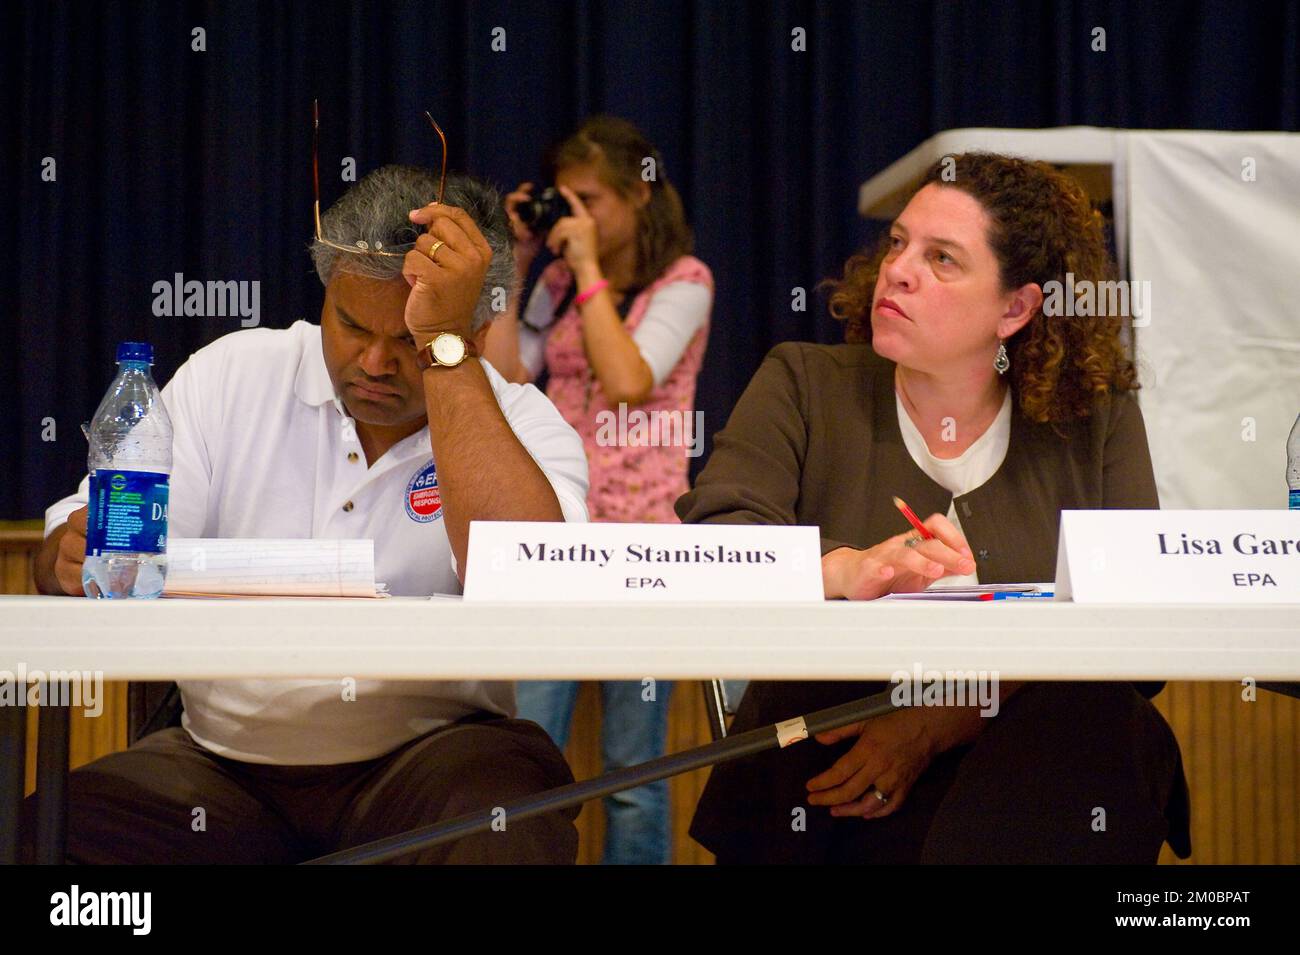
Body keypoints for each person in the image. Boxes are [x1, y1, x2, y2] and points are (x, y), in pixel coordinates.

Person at [28, 166, 591, 864]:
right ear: (325, 293)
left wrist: (445, 354)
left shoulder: (519, 422)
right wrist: (65, 553)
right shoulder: (233, 374)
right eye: (352, 325)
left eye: (409, 339)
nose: (377, 361)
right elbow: (86, 539)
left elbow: (535, 584)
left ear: (475, 325)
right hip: (222, 764)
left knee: (504, 829)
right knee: (49, 835)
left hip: (432, 760)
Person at [676, 152, 1192, 864]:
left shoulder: (1094, 417)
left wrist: (945, 717)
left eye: (942, 258)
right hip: (833, 751)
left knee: (1100, 716)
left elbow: (1137, 635)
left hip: (1035, 757)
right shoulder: (803, 381)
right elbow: (713, 548)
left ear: (1015, 307)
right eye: (898, 245)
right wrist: (846, 568)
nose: (899, 270)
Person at [483, 116, 713, 864]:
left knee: (633, 768)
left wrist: (586, 271)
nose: (574, 215)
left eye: (589, 199)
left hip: (645, 543)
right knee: (530, 749)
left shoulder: (686, 282)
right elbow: (502, 373)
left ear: (636, 197)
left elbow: (627, 380)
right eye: (563, 199)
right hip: (558, 532)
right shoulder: (551, 280)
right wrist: (514, 262)